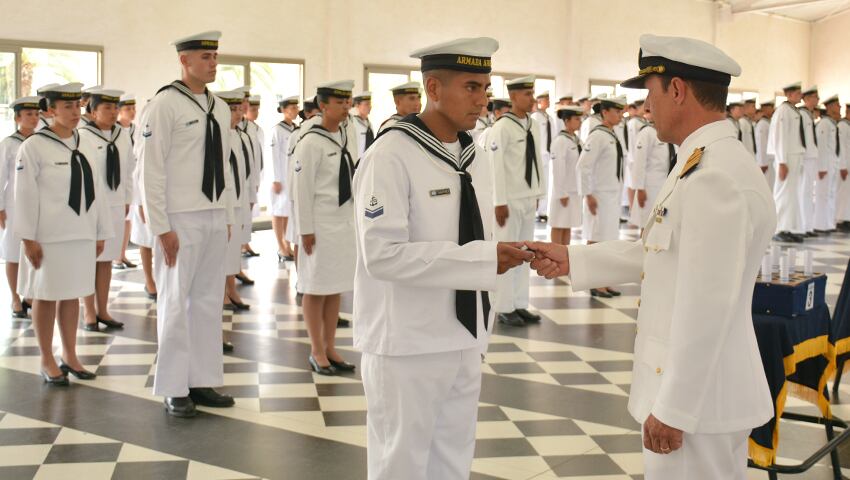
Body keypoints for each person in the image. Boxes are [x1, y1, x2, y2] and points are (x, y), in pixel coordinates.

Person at [528, 34, 775, 480]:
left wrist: (675, 406)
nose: (647, 106)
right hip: (704, 395)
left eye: (651, 92)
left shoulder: (713, 176)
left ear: (677, 90)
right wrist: (575, 259)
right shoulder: (702, 161)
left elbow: (708, 304)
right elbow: (664, 252)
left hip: (696, 403)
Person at [353, 36, 532, 480]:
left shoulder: (472, 153)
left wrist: (492, 260)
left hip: (464, 333)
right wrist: (483, 260)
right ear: (433, 88)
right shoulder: (391, 154)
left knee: (453, 457)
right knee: (402, 463)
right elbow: (383, 256)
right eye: (471, 86)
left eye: (486, 88)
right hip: (408, 341)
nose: (482, 99)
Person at [136, 31, 237, 417]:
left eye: (215, 56)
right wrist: (161, 227)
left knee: (209, 303)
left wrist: (226, 215)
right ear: (185, 61)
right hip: (179, 217)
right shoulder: (164, 104)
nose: (213, 63)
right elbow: (151, 170)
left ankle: (202, 380)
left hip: (212, 215)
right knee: (175, 301)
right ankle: (174, 386)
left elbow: (223, 167)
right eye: (205, 56)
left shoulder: (220, 107)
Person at [15, 83, 114, 385]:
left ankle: (69, 354)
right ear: (50, 110)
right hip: (48, 236)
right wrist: (28, 238)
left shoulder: (83, 143)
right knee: (46, 296)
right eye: (67, 107)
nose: (75, 112)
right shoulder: (33, 146)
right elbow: (25, 196)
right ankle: (47, 358)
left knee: (72, 294)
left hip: (80, 233)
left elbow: (96, 191)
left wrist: (100, 231)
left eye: (77, 106)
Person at [293, 80, 358, 375]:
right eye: (339, 102)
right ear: (323, 106)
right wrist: (305, 229)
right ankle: (316, 349)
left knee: (334, 289)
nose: (346, 107)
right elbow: (302, 190)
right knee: (314, 287)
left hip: (343, 221)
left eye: (348, 102)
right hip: (319, 224)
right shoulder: (310, 141)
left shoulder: (346, 134)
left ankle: (331, 346)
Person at [489, 75, 544, 327]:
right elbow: (495, 166)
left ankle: (520, 303)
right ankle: (503, 306)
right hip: (508, 201)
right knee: (508, 253)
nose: (532, 99)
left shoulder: (532, 125)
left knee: (525, 254)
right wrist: (498, 201)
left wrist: (538, 193)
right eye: (527, 94)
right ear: (512, 97)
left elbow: (537, 162)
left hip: (527, 197)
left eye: (532, 94)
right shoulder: (501, 127)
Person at [78, 88, 133, 332]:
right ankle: (89, 311)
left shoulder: (122, 134)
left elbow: (129, 169)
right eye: (106, 108)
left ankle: (103, 309)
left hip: (115, 203)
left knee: (106, 259)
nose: (112, 113)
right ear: (92, 111)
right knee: (89, 260)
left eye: (114, 108)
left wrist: (127, 199)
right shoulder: (82, 135)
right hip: (91, 206)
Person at [576, 95, 627, 298]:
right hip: (598, 195)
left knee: (608, 240)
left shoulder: (612, 134)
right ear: (605, 112)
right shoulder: (597, 135)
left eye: (621, 111)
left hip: (612, 194)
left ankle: (604, 281)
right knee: (596, 240)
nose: (620, 115)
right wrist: (588, 194)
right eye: (616, 111)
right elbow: (583, 166)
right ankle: (595, 284)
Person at [0, 97, 39, 317]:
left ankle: (30, 296)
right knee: (13, 253)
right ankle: (15, 298)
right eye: (28, 115)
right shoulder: (8, 144)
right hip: (13, 206)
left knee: (33, 252)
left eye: (36, 114)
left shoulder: (42, 141)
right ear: (17, 118)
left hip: (36, 206)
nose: (33, 119)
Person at [218, 90, 251, 316]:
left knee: (232, 250)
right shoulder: (219, 135)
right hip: (224, 201)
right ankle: (222, 292)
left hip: (238, 199)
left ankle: (231, 289)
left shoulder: (238, 135)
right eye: (231, 109)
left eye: (239, 109)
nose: (237, 114)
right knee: (222, 250)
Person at [767, 82, 806, 243]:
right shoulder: (783, 111)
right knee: (783, 193)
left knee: (792, 194)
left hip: (794, 156)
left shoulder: (792, 110)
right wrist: (782, 161)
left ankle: (788, 227)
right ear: (788, 94)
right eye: (797, 93)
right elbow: (780, 138)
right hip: (787, 157)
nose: (800, 95)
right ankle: (779, 228)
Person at [629, 111, 677, 228]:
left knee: (659, 225)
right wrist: (639, 189)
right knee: (646, 225)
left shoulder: (668, 133)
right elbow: (639, 163)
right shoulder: (647, 133)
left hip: (664, 185)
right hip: (648, 188)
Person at [270, 96, 299, 262]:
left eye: (296, 107)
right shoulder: (277, 130)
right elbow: (273, 155)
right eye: (292, 108)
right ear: (283, 110)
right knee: (278, 212)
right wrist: (276, 179)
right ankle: (281, 246)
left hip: (292, 176)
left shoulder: (296, 128)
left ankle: (287, 244)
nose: (295, 110)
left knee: (288, 212)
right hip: (281, 177)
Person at [548, 106, 583, 246]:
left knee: (567, 224)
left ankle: (565, 252)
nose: (579, 122)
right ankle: (555, 253)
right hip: (563, 191)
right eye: (576, 119)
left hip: (574, 189)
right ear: (567, 121)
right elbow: (558, 169)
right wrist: (561, 193)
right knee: (558, 224)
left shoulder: (576, 140)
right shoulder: (560, 141)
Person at [113, 93, 138, 270]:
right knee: (118, 219)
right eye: (128, 108)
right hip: (117, 179)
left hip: (133, 179)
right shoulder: (114, 131)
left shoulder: (136, 129)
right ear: (119, 111)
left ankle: (122, 254)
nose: (132, 112)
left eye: (133, 108)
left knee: (128, 219)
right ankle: (115, 257)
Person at [813, 95, 843, 233]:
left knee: (830, 194)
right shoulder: (824, 124)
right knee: (822, 194)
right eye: (837, 105)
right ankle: (820, 224)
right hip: (825, 166)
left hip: (832, 164)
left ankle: (828, 223)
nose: (840, 108)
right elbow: (821, 147)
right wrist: (822, 167)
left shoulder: (832, 123)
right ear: (830, 107)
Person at [531, 91, 557, 222]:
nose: (549, 101)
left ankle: (542, 211)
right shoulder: (535, 117)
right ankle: (536, 210)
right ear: (539, 101)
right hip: (538, 154)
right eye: (546, 99)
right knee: (538, 182)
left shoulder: (549, 118)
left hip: (547, 154)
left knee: (545, 183)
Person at [799, 85, 821, 237]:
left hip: (811, 157)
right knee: (803, 192)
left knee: (807, 193)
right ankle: (801, 226)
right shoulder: (800, 114)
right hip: (804, 157)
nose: (817, 100)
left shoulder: (809, 115)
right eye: (815, 97)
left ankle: (807, 226)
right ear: (806, 99)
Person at [754, 99, 775, 190]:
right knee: (768, 187)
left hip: (770, 160)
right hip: (766, 162)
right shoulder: (763, 124)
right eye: (771, 108)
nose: (773, 110)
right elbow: (761, 144)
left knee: (771, 186)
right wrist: (763, 163)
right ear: (765, 109)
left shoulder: (768, 123)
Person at [837, 104, 850, 231]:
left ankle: (847, 218)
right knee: (843, 193)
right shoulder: (842, 125)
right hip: (845, 165)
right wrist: (842, 166)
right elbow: (841, 147)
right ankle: (841, 219)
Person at [352, 91, 375, 159]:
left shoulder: (369, 124)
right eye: (366, 104)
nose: (370, 107)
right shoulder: (353, 123)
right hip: (357, 164)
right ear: (357, 105)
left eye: (370, 104)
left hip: (368, 161)